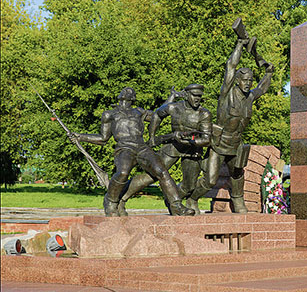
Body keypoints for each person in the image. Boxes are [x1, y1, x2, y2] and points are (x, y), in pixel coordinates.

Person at [69, 87, 194, 217]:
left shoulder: (138, 111)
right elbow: (103, 138)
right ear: (120, 95)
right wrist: (81, 136)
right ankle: (110, 201)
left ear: (133, 98)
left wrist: (172, 97)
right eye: (125, 90)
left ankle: (177, 206)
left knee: (161, 171)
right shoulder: (109, 114)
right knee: (122, 172)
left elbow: (159, 113)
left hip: (142, 147)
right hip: (124, 148)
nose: (127, 90)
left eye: (130, 90)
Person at [188, 36, 274, 213]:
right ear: (237, 80)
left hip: (236, 143)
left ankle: (238, 200)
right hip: (219, 143)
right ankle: (192, 199)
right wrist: (240, 45)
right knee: (210, 180)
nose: (248, 83)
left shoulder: (250, 97)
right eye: (244, 80)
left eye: (250, 80)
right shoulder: (227, 93)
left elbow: (263, 88)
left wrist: (269, 73)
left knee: (237, 173)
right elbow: (231, 66)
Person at [118, 84, 212, 215]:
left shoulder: (204, 113)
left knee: (190, 186)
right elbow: (157, 115)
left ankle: (172, 201)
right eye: (194, 95)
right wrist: (152, 137)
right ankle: (121, 199)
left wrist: (190, 141)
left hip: (192, 150)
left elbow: (207, 139)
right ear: (186, 95)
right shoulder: (174, 107)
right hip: (173, 147)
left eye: (199, 96)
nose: (197, 99)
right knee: (152, 176)